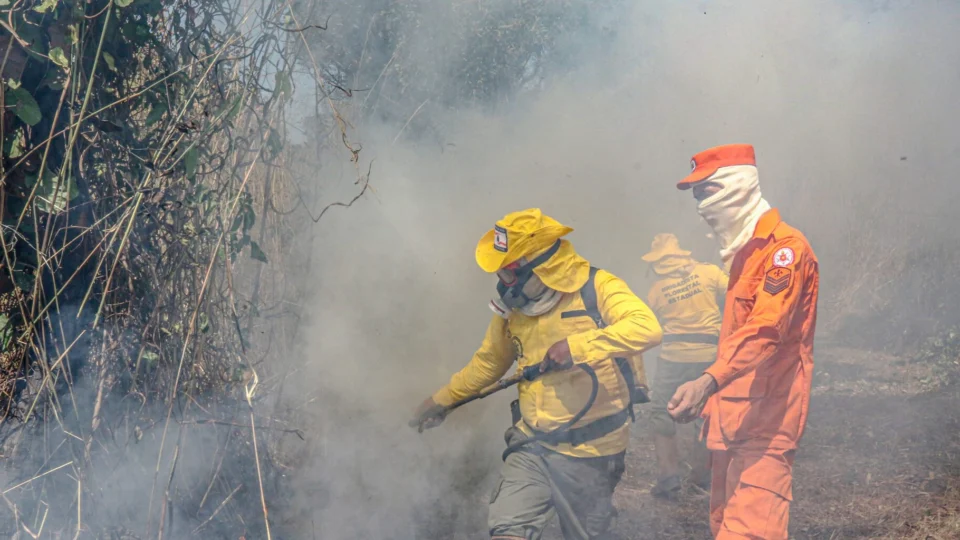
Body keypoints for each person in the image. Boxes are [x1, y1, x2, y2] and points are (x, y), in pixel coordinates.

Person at [411, 208, 662, 540]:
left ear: (539, 267)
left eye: (507, 274)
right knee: (508, 530)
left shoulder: (597, 287)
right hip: (533, 444)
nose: (502, 284)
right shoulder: (514, 310)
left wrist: (578, 346)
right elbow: (488, 363)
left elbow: (647, 328)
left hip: (594, 451)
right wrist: (442, 400)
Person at [667, 144, 820, 539]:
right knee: (724, 528)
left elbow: (766, 330)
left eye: (707, 192)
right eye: (696, 196)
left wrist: (707, 381)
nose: (701, 205)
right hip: (731, 423)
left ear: (736, 187)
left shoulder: (785, 250)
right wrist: (711, 407)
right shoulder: (742, 256)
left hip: (767, 426)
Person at [642, 233, 728, 499]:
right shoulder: (710, 273)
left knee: (661, 411)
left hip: (672, 359)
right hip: (709, 357)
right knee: (705, 414)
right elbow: (737, 296)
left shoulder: (656, 291)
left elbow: (649, 325)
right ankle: (702, 482)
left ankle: (668, 480)